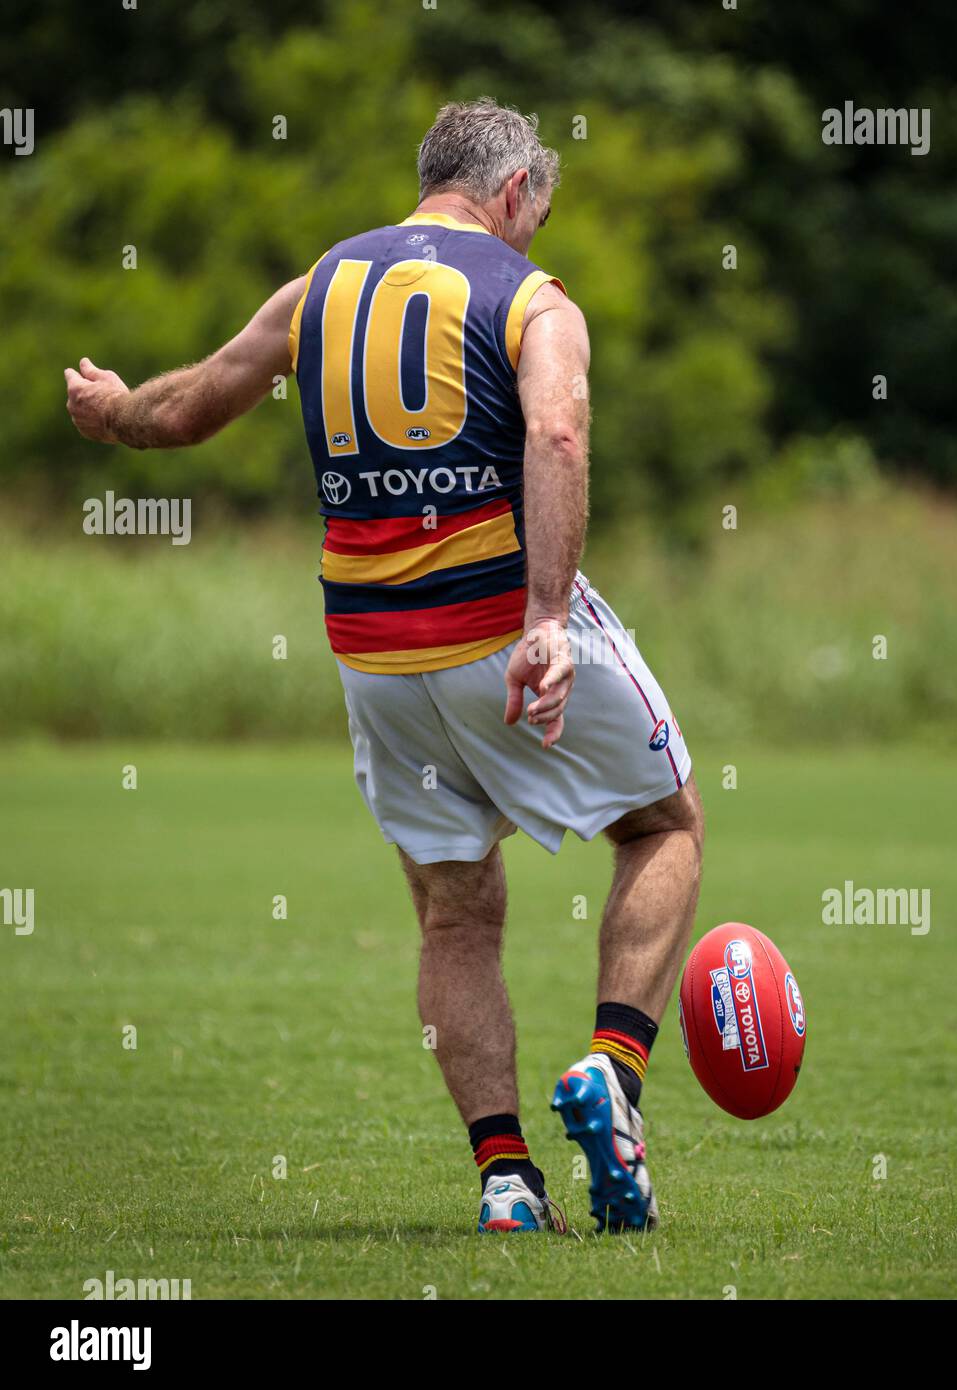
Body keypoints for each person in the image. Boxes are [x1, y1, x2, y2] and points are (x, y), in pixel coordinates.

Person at [65, 98, 704, 1235]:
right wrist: (548, 619)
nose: (536, 234)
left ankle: (506, 1182)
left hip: (372, 651)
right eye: (538, 213)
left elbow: (194, 404)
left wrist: (112, 410)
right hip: (496, 623)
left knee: (456, 916)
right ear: (513, 192)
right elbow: (557, 434)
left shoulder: (323, 284)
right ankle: (612, 1068)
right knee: (664, 826)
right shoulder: (533, 299)